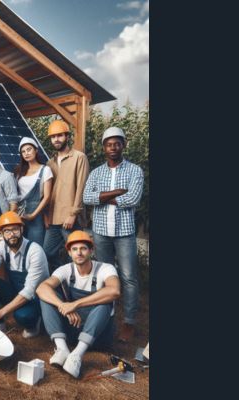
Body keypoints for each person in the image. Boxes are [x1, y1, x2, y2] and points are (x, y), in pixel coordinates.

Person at [83, 126, 144, 342]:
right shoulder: (96, 172)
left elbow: (133, 199)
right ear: (103, 147)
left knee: (128, 277)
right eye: (109, 144)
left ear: (123, 145)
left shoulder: (135, 170)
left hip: (124, 232)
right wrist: (118, 192)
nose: (113, 147)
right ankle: (106, 314)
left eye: (117, 143)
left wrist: (101, 197)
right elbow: (86, 198)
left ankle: (128, 322)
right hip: (100, 232)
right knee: (104, 276)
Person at [37, 230, 120, 378]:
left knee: (105, 303)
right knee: (48, 298)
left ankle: (77, 355)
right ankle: (62, 349)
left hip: (98, 335)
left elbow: (114, 291)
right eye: (74, 249)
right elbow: (41, 288)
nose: (79, 253)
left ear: (91, 250)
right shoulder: (66, 269)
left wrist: (75, 304)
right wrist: (63, 305)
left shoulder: (105, 268)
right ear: (69, 252)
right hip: (73, 329)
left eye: (83, 248)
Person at [0, 211, 49, 338]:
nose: (12, 234)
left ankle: (33, 324)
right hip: (17, 291)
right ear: (1, 233)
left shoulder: (35, 251)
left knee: (23, 316)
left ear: (22, 229)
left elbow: (29, 291)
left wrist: (1, 312)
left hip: (35, 298)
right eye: (7, 231)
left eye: (15, 230)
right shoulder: (1, 247)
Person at [43, 120, 90, 273]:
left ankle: (79, 290)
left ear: (67, 136)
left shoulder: (79, 157)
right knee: (48, 253)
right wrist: (46, 215)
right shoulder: (49, 163)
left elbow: (82, 188)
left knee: (77, 257)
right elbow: (48, 193)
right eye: (53, 136)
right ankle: (64, 278)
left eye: (60, 135)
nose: (56, 139)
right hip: (53, 218)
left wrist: (72, 214)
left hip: (71, 219)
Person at [15, 137, 53, 246]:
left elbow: (47, 197)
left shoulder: (45, 170)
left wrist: (33, 215)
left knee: (35, 247)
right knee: (20, 247)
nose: (26, 153)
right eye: (23, 151)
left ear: (36, 150)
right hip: (20, 216)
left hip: (36, 216)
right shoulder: (19, 171)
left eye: (29, 149)